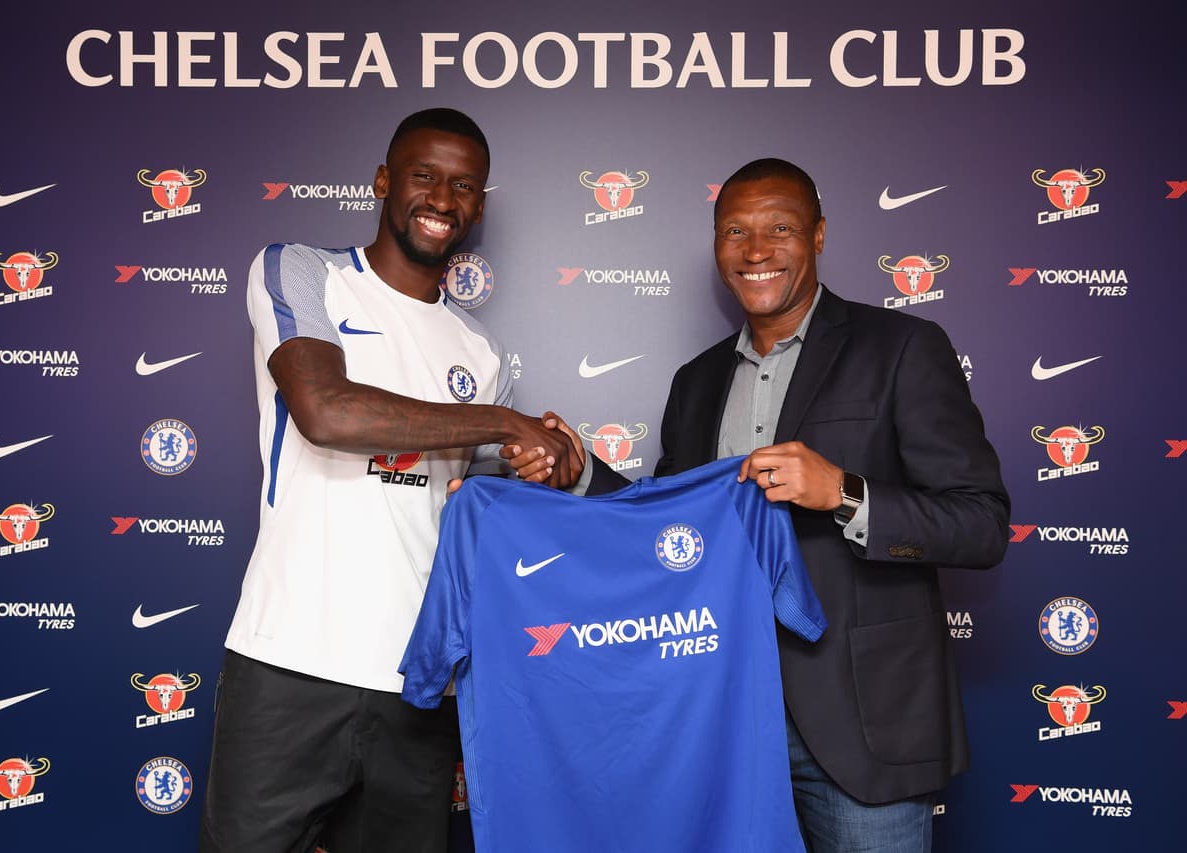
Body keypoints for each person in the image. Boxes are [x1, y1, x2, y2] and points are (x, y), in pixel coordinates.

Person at [515, 157, 1009, 851]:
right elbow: (669, 528)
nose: (755, 250)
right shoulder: (698, 380)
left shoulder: (901, 348)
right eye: (734, 231)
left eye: (780, 227)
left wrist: (844, 492)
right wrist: (580, 473)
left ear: (819, 235)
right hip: (721, 720)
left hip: (862, 726)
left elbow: (982, 523)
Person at [199, 107, 581, 853]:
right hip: (289, 663)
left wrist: (547, 465)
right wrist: (506, 427)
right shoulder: (300, 270)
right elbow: (325, 411)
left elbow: (471, 505)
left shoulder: (481, 348)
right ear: (383, 181)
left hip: (418, 678)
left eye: (465, 185)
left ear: (480, 205)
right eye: (425, 175)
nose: (443, 198)